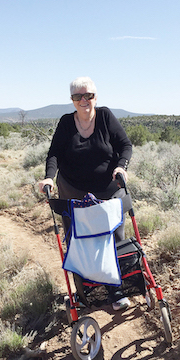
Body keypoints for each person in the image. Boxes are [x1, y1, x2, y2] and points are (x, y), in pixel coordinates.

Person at [38, 76, 133, 311]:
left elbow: (125, 145)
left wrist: (121, 166)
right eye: (78, 96)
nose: (84, 100)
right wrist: (49, 176)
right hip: (73, 189)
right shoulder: (66, 123)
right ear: (72, 100)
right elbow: (54, 154)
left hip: (107, 189)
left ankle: (116, 289)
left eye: (88, 95)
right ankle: (85, 291)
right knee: (78, 239)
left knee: (113, 235)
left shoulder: (105, 116)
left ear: (95, 97)